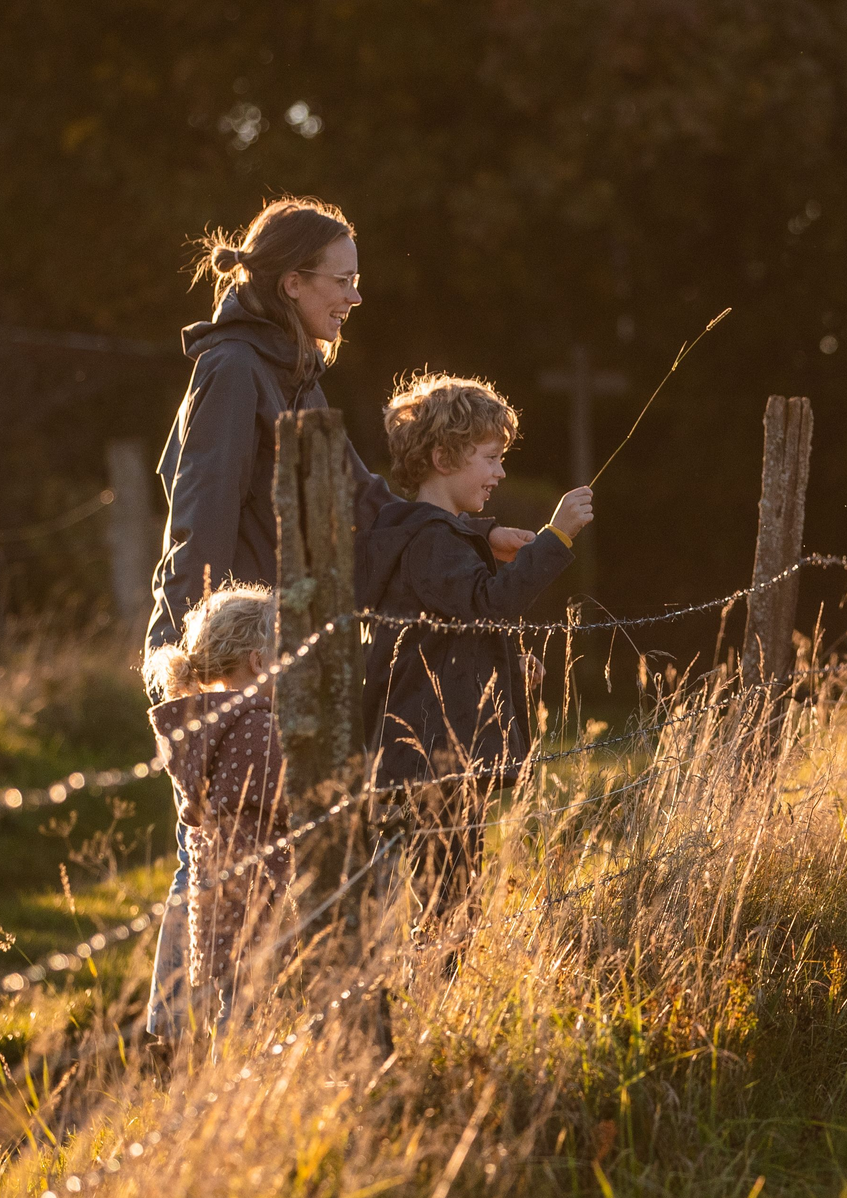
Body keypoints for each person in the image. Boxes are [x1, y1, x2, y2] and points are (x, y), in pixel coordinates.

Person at [142, 197, 534, 1042]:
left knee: (271, 838)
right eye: (343, 281)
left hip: (284, 646)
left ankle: (241, 1027)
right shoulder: (235, 371)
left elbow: (361, 508)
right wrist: (193, 655)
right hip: (233, 647)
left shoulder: (293, 370)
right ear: (292, 282)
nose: (356, 297)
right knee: (218, 840)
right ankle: (176, 1034)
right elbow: (197, 518)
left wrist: (474, 532)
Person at [357, 373, 593, 919]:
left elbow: (457, 628)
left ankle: (440, 982)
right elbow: (488, 603)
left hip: (437, 754)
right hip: (432, 758)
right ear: (443, 457)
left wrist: (505, 659)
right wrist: (556, 538)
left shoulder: (433, 535)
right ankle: (434, 984)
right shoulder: (430, 541)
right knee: (444, 896)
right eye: (489, 458)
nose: (500, 472)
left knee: (450, 888)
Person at [143, 584, 290, 1042]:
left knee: (235, 1006)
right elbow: (295, 806)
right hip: (260, 902)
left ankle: (219, 1086)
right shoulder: (259, 729)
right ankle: (238, 1096)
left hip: (218, 903)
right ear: (259, 661)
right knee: (252, 1014)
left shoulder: (206, 726)